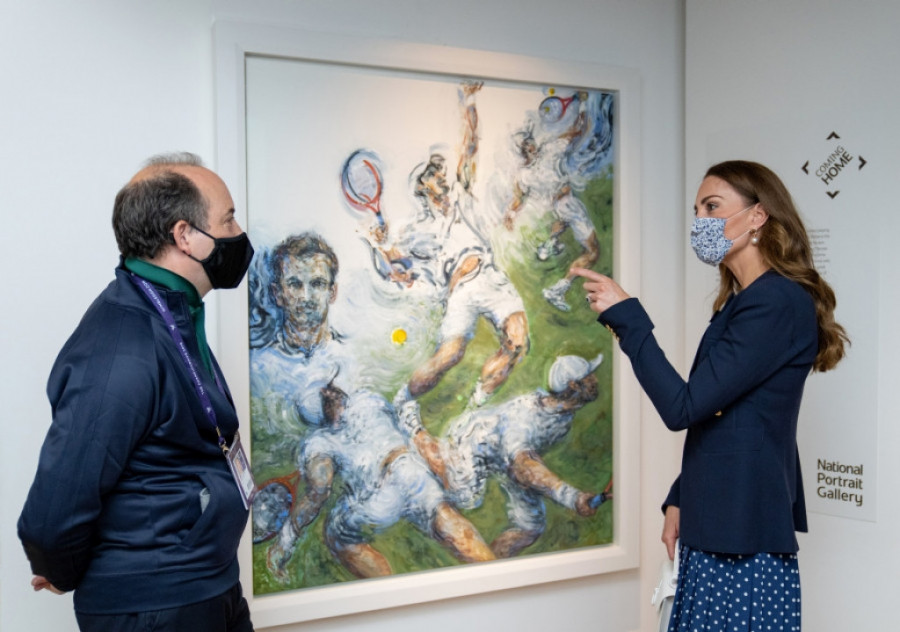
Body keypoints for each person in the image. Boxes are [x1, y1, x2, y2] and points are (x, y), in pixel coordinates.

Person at [573, 160, 849, 631]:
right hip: (720, 525)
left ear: (758, 216)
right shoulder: (745, 301)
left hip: (742, 534)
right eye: (697, 210)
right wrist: (681, 496)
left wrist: (628, 318)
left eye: (712, 207)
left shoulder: (775, 301)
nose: (700, 220)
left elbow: (683, 407)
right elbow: (727, 415)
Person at [18, 152, 256, 631]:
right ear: (185, 235)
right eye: (228, 219)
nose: (238, 233)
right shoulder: (120, 345)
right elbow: (56, 505)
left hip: (207, 586)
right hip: (155, 606)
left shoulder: (173, 313)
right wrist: (60, 568)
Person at [249, 233, 494, 581]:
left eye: (317, 284)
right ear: (278, 293)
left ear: (332, 291)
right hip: (406, 472)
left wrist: (285, 541)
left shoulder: (355, 356)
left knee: (342, 535)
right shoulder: (260, 367)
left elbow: (320, 485)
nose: (305, 297)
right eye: (295, 285)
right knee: (445, 521)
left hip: (379, 486)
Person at [360, 81, 529, 408]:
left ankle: (478, 401)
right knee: (449, 356)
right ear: (421, 186)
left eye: (440, 173)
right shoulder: (415, 230)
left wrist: (469, 101)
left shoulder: (463, 197)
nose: (441, 177)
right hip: (459, 291)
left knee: (518, 340)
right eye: (433, 175)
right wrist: (379, 246)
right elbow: (397, 266)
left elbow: (470, 147)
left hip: (490, 277)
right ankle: (404, 401)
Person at [396, 353, 613, 558]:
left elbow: (523, 463)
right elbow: (524, 465)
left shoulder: (563, 413)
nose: (595, 379)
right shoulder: (527, 418)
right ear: (574, 385)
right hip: (477, 439)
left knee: (531, 525)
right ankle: (412, 424)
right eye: (589, 376)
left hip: (505, 458)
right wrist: (571, 497)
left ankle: (489, 566)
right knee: (465, 495)